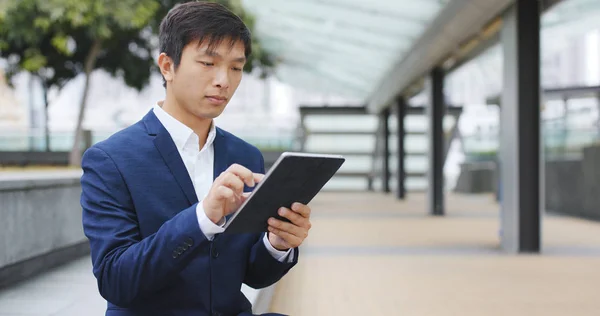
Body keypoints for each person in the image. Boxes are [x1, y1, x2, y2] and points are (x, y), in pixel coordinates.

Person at [80, 2, 311, 315]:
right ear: (167, 66)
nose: (223, 81)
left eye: (236, 67)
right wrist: (202, 218)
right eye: (207, 63)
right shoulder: (111, 160)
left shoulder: (244, 156)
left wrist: (277, 243)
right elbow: (115, 281)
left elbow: (254, 275)